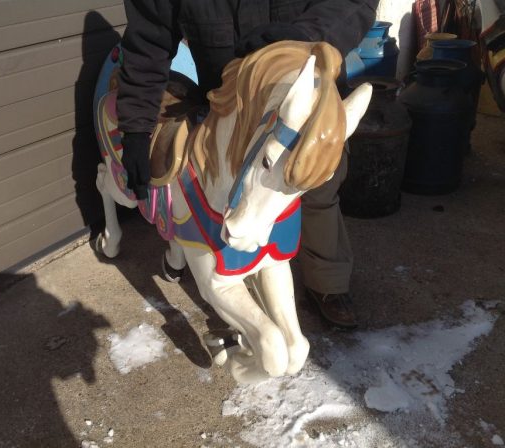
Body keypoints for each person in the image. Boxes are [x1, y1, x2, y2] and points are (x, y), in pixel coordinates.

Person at [116, 0, 379, 328]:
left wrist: (306, 35)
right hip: (229, 112)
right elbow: (149, 41)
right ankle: (230, 281)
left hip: (307, 104)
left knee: (315, 192)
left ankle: (327, 279)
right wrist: (137, 127)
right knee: (226, 197)